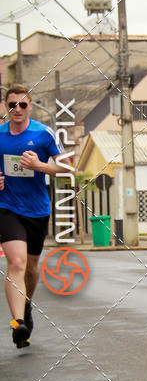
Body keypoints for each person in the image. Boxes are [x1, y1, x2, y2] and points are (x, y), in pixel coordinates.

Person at [0, 85, 63, 347]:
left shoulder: (43, 134)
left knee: (31, 268)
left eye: (22, 105)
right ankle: (18, 324)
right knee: (16, 262)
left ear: (31, 106)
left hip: (37, 209)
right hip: (7, 207)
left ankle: (26, 306)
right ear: (6, 106)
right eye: (12, 104)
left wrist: (39, 166)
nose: (17, 109)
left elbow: (67, 166)